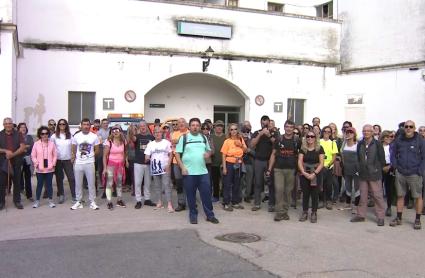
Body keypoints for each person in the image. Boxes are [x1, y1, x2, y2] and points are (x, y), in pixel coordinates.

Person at [175, 117, 219, 224]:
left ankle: (210, 215)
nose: (195, 127)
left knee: (206, 195)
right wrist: (182, 167)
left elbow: (209, 151)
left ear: (200, 127)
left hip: (203, 172)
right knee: (191, 195)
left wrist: (208, 154)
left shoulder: (203, 137)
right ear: (189, 127)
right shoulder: (184, 138)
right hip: (189, 173)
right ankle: (193, 215)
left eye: (197, 125)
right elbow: (177, 154)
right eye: (193, 125)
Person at [390, 120, 425, 230]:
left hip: (415, 173)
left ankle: (417, 219)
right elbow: (393, 154)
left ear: (414, 128)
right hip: (401, 172)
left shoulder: (420, 140)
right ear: (404, 128)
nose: (408, 128)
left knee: (418, 196)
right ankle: (399, 218)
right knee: (400, 196)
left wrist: (420, 170)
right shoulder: (398, 139)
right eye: (406, 126)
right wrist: (395, 166)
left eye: (411, 126)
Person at [350, 124, 386, 226]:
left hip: (374, 174)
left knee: (377, 195)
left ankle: (380, 217)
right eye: (364, 131)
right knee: (363, 195)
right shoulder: (360, 143)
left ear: (372, 132)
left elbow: (382, 159)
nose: (366, 132)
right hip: (363, 174)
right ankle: (361, 215)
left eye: (368, 131)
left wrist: (376, 168)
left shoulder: (377, 144)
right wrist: (358, 167)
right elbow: (358, 157)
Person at [267, 120, 300, 221]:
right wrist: (269, 169)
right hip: (278, 169)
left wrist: (299, 169)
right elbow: (273, 154)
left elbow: (299, 155)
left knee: (288, 191)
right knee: (279, 190)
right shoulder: (279, 139)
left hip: (291, 169)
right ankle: (279, 212)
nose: (289, 129)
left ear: (293, 128)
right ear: (284, 127)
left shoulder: (297, 140)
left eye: (291, 127)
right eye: (287, 126)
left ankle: (285, 211)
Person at [70, 118, 100, 210]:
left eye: (88, 124)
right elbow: (74, 148)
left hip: (90, 163)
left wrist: (90, 156)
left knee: (91, 183)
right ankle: (79, 201)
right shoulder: (76, 136)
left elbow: (97, 150)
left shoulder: (94, 136)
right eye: (84, 124)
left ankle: (92, 201)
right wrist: (74, 157)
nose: (86, 126)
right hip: (78, 163)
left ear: (90, 126)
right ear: (81, 126)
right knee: (78, 184)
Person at [145, 126, 174, 213]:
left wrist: (168, 165)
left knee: (166, 185)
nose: (158, 133)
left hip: (165, 167)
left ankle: (169, 204)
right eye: (156, 132)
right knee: (157, 186)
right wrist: (147, 158)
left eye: (159, 132)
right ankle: (159, 202)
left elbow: (171, 154)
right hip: (155, 168)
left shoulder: (167, 142)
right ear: (153, 134)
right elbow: (147, 155)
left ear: (162, 133)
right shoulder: (150, 144)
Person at [297, 130, 324, 223]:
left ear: (315, 138)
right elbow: (300, 161)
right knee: (305, 194)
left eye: (312, 136)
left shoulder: (320, 148)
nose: (310, 138)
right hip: (304, 173)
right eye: (308, 136)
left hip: (316, 173)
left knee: (315, 194)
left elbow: (321, 163)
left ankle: (314, 212)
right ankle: (305, 212)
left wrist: (314, 174)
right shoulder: (302, 149)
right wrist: (304, 173)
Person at [0, 117, 26, 210]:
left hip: (16, 162)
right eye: (6, 123)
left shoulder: (18, 134)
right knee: (2, 183)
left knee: (17, 182)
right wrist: (5, 151)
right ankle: (1, 202)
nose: (8, 125)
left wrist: (12, 154)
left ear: (12, 124)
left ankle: (17, 201)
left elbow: (22, 147)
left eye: (10, 123)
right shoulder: (0, 134)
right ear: (3, 125)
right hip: (3, 162)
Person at [251, 115, 275, 212]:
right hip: (259, 161)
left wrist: (269, 135)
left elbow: (277, 144)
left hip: (270, 161)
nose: (264, 125)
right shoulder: (257, 133)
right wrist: (260, 135)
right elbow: (252, 144)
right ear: (260, 123)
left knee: (271, 183)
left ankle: (271, 204)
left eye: (266, 123)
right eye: (262, 123)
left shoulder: (274, 132)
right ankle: (257, 204)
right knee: (257, 183)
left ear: (269, 123)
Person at [221, 123, 247, 211]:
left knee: (237, 183)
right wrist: (224, 168)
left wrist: (241, 145)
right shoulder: (227, 141)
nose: (233, 131)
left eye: (235, 129)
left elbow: (246, 150)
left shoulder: (241, 139)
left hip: (238, 163)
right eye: (231, 129)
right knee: (227, 184)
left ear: (237, 130)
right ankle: (226, 203)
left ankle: (235, 202)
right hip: (229, 163)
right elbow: (223, 155)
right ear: (229, 131)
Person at [31, 126, 57, 208]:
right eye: (43, 133)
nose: (45, 135)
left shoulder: (52, 144)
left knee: (49, 185)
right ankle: (37, 201)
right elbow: (33, 155)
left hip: (49, 168)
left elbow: (55, 155)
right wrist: (36, 163)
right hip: (40, 169)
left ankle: (50, 201)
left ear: (48, 134)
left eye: (46, 133)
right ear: (40, 135)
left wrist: (53, 164)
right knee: (39, 185)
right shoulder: (36, 144)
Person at [50, 119, 76, 203]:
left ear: (66, 125)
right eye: (60, 124)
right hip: (58, 160)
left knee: (71, 178)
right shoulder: (54, 136)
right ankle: (61, 194)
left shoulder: (70, 135)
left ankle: (74, 195)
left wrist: (73, 155)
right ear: (58, 125)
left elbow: (73, 146)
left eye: (63, 124)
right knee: (59, 178)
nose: (62, 125)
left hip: (67, 160)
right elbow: (50, 147)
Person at [103, 125, 127, 210]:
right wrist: (105, 168)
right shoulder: (108, 142)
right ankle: (109, 202)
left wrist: (124, 164)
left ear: (120, 132)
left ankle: (119, 200)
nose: (115, 132)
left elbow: (124, 153)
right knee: (109, 184)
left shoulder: (124, 141)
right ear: (111, 132)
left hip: (120, 165)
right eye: (113, 130)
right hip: (111, 165)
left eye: (117, 130)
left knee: (119, 183)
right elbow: (104, 156)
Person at [133, 120, 155, 209]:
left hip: (149, 163)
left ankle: (147, 199)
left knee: (148, 182)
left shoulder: (151, 137)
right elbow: (131, 138)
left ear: (146, 127)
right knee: (138, 182)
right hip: (138, 163)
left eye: (144, 126)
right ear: (139, 127)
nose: (142, 127)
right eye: (141, 126)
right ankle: (138, 200)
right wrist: (132, 130)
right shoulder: (136, 136)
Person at [171, 118, 189, 211]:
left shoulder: (190, 133)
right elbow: (173, 144)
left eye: (183, 122)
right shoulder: (175, 133)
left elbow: (178, 142)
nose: (181, 124)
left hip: (188, 162)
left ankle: (191, 201)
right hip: (176, 162)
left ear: (186, 124)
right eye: (179, 123)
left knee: (189, 183)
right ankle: (181, 203)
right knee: (179, 184)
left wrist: (178, 141)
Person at [340, 127, 360, 210]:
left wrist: (359, 169)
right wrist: (344, 166)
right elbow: (342, 156)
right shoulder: (344, 144)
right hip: (347, 168)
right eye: (347, 132)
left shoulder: (358, 144)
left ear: (354, 134)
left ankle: (356, 205)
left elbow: (362, 157)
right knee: (347, 185)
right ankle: (348, 203)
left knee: (357, 187)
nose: (348, 134)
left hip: (356, 169)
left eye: (351, 132)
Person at [320, 126, 339, 209]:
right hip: (319, 166)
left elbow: (334, 156)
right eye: (325, 131)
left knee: (328, 185)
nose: (326, 133)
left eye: (328, 132)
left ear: (331, 133)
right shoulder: (318, 141)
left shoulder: (333, 143)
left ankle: (328, 200)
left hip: (328, 167)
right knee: (320, 185)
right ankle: (321, 201)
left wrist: (328, 165)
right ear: (322, 132)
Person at [380, 130, 395, 216]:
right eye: (387, 136)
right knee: (378, 189)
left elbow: (396, 158)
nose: (389, 138)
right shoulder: (379, 146)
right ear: (383, 137)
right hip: (380, 167)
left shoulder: (393, 146)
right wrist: (381, 167)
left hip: (390, 167)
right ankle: (379, 207)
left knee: (389, 188)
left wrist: (390, 166)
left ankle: (389, 207)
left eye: (391, 137)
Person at [210, 120, 226, 203]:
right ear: (214, 127)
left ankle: (224, 194)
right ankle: (215, 196)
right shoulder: (211, 137)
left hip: (224, 163)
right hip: (214, 163)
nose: (219, 127)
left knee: (225, 181)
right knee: (215, 181)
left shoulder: (226, 137)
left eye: (221, 126)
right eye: (217, 126)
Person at [18, 122, 34, 202]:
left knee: (28, 177)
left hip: (27, 159)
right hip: (18, 159)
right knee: (18, 177)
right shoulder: (16, 137)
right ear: (18, 129)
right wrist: (24, 147)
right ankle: (20, 191)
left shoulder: (29, 137)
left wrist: (22, 148)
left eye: (24, 127)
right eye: (21, 127)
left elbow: (31, 146)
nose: (23, 128)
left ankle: (29, 195)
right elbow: (16, 147)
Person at [240, 121, 255, 202]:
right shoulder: (238, 138)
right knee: (240, 181)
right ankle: (239, 196)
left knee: (249, 181)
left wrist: (249, 151)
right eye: (244, 128)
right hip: (239, 162)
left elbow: (257, 153)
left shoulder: (253, 138)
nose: (246, 131)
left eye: (248, 128)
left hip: (249, 162)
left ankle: (247, 196)